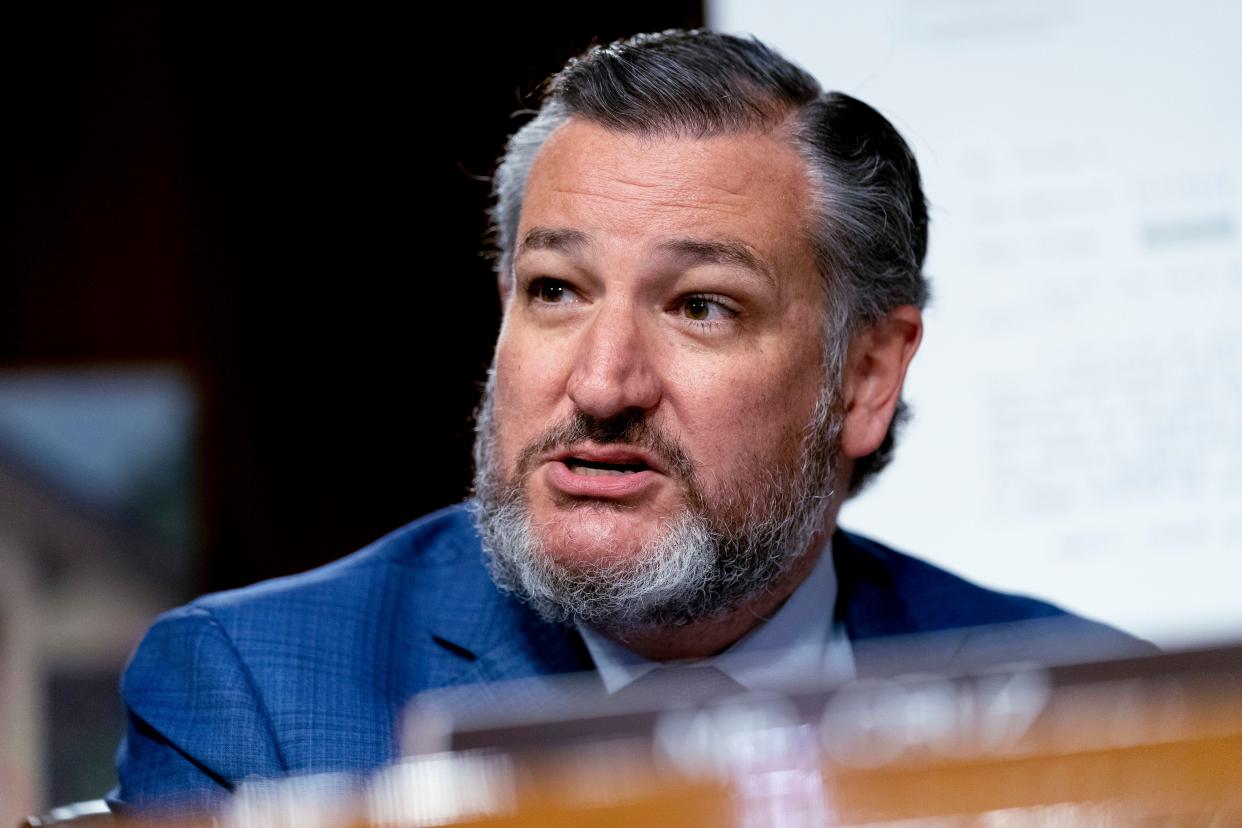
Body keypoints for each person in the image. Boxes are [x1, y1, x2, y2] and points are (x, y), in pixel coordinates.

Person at [110, 29, 1152, 813]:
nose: (603, 384)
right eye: (556, 290)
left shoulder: (1102, 715)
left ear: (865, 376)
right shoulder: (259, 702)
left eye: (702, 305)